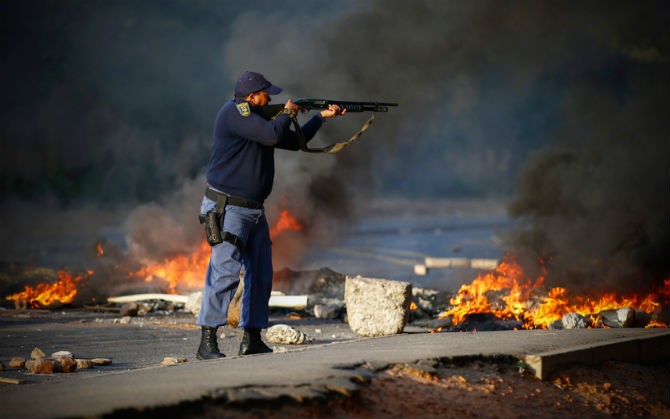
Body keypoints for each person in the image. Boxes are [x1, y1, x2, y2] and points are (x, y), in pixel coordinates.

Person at [196, 71, 346, 359]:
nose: (271, 98)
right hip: (229, 208)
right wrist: (288, 112)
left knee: (261, 274)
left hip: (253, 210)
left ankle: (252, 338)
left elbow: (290, 141)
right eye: (266, 94)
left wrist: (321, 117)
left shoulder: (258, 118)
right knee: (224, 274)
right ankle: (208, 341)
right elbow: (272, 134)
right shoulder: (235, 112)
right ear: (251, 97)